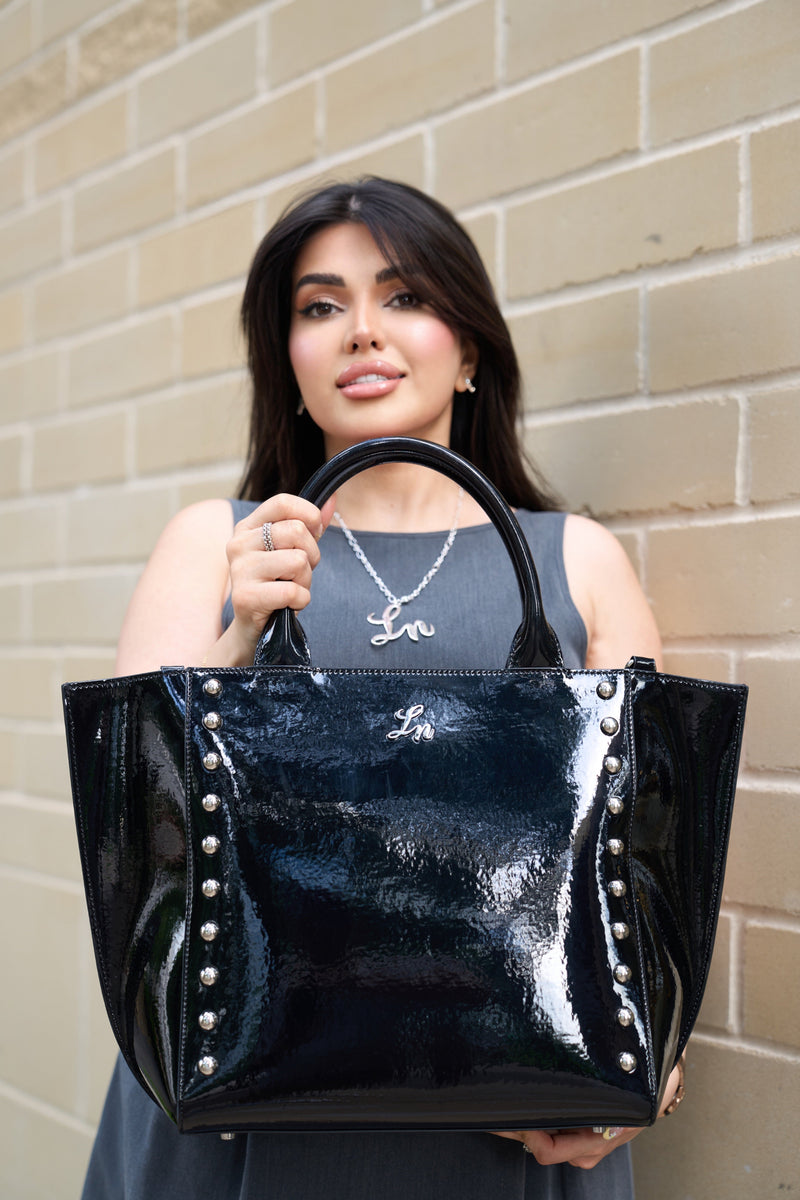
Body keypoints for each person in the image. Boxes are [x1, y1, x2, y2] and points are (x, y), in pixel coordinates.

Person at [82, 177, 683, 1199]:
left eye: (403, 296)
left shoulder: (575, 560)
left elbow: (638, 855)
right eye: (321, 306)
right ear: (288, 357)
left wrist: (652, 1067)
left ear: (470, 349)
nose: (362, 329)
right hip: (235, 1107)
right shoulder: (216, 542)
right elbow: (140, 833)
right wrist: (239, 635)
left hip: (512, 1111)